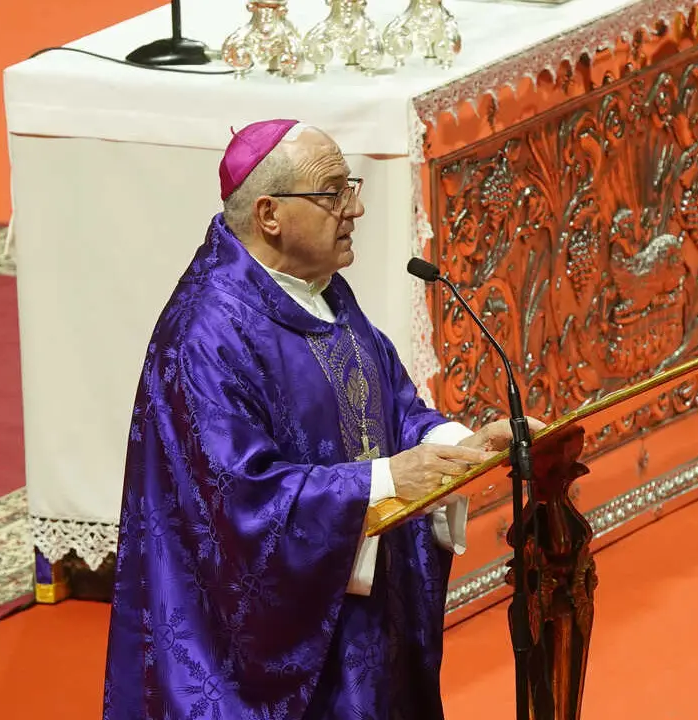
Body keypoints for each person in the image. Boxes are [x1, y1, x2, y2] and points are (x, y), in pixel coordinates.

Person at [102, 118, 541, 719]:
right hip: (246, 657)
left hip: (355, 619)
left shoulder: (320, 292)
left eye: (350, 188)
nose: (355, 209)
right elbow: (239, 502)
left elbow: (389, 409)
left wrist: (460, 446)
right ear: (270, 214)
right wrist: (386, 482)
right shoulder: (206, 334)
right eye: (333, 193)